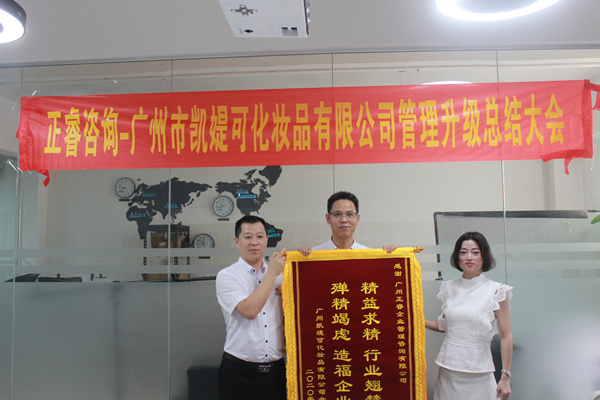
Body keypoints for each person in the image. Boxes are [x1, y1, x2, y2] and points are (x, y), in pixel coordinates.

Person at [425, 231, 513, 400]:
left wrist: (505, 376)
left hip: (479, 373)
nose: (469, 257)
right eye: (463, 252)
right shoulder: (449, 288)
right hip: (448, 371)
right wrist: (417, 320)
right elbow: (446, 326)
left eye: (475, 252)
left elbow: (506, 336)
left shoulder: (496, 291)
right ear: (457, 258)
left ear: (484, 256)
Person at [215, 215, 287, 400]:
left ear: (266, 240)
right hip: (238, 372)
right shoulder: (227, 276)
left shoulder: (282, 276)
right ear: (236, 241)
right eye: (248, 237)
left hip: (276, 371)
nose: (254, 242)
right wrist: (272, 273)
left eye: (260, 236)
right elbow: (249, 310)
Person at [297, 191, 396, 255]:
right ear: (328, 218)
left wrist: (392, 257)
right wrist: (300, 258)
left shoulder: (368, 256)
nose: (344, 220)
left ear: (357, 219)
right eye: (337, 214)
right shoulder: (314, 255)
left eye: (349, 214)